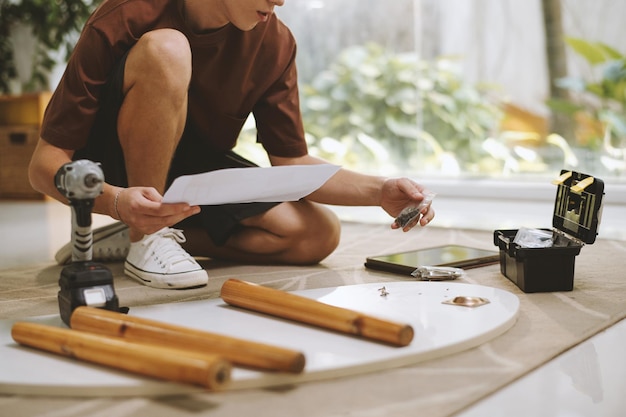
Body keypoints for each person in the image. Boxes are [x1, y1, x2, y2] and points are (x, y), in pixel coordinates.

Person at [29, 0, 435, 290]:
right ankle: (144, 237)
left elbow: (291, 161)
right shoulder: (126, 14)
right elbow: (44, 166)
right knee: (168, 47)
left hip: (191, 175)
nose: (280, 1)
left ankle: (145, 232)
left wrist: (379, 191)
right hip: (114, 167)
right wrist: (115, 201)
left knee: (317, 233)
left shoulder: (274, 40)